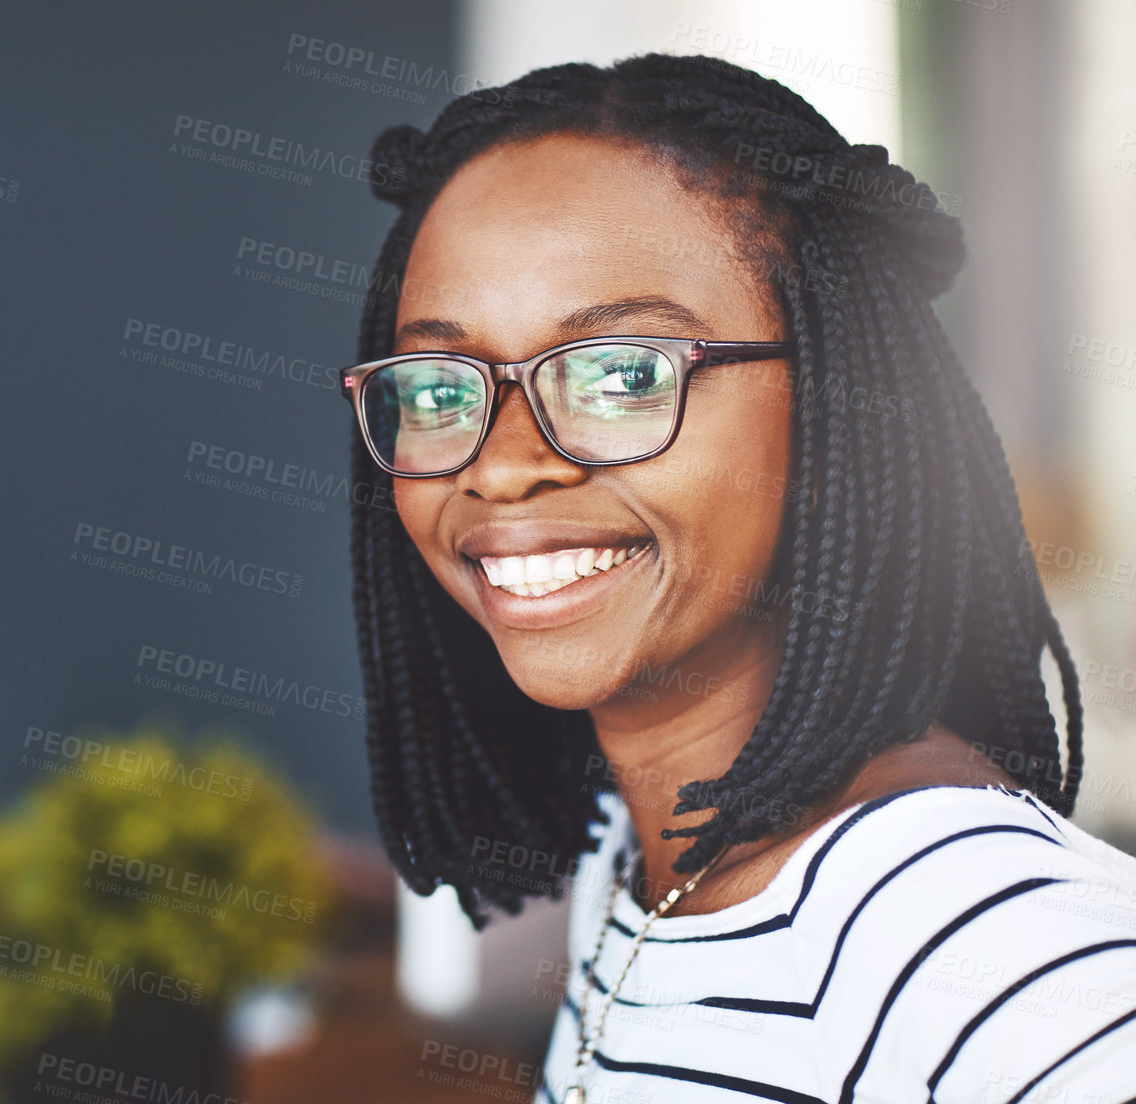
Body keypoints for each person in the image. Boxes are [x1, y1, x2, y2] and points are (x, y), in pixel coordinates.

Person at [339, 53, 1136, 1102]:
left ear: (834, 409)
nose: (499, 462)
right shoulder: (644, 863)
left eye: (624, 373)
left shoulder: (989, 944)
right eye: (442, 386)